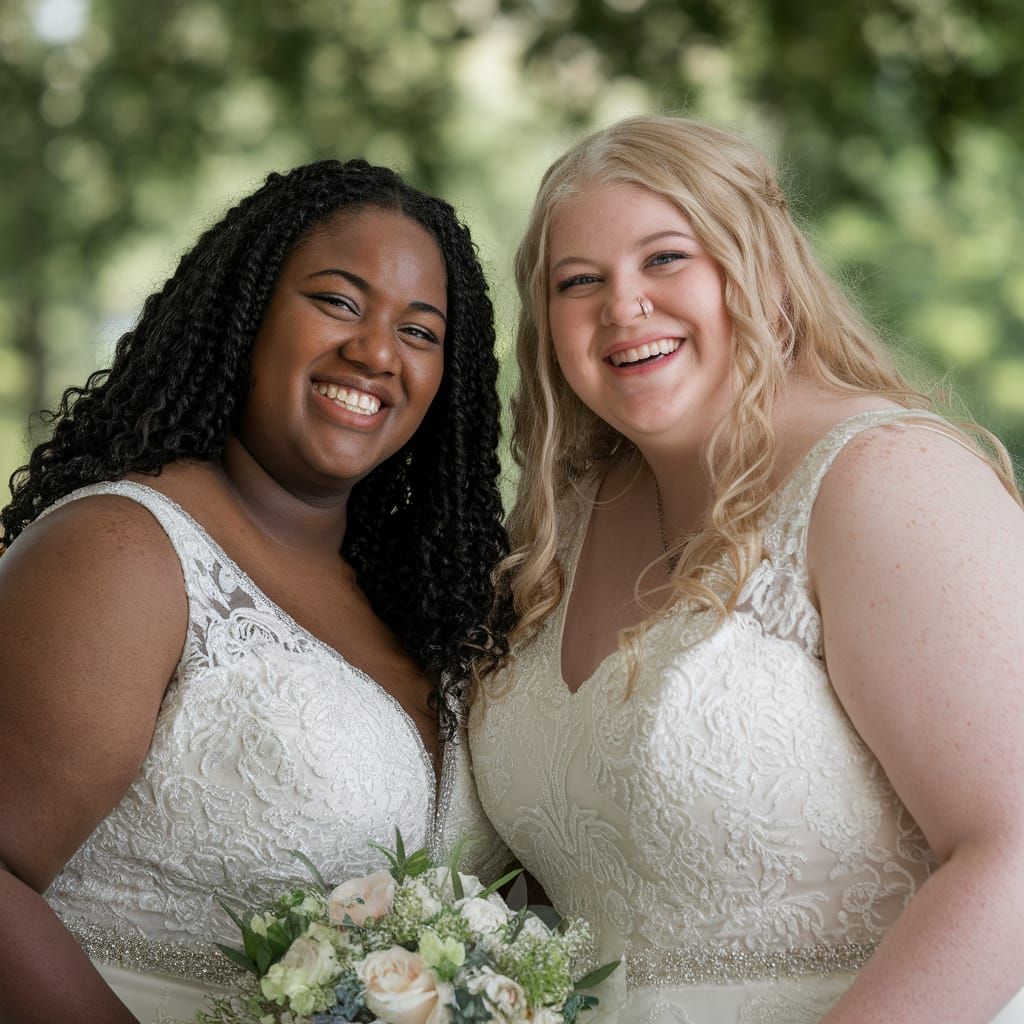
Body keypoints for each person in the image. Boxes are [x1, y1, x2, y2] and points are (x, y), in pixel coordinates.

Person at [468, 115, 1024, 1023]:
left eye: (664, 258)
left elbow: (1015, 854)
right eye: (580, 282)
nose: (623, 305)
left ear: (762, 273)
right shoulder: (554, 535)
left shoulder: (884, 479)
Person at [0, 158, 510, 1023]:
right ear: (246, 313)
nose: (376, 352)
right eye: (338, 302)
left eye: (420, 332)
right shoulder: (122, 549)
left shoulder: (429, 607)